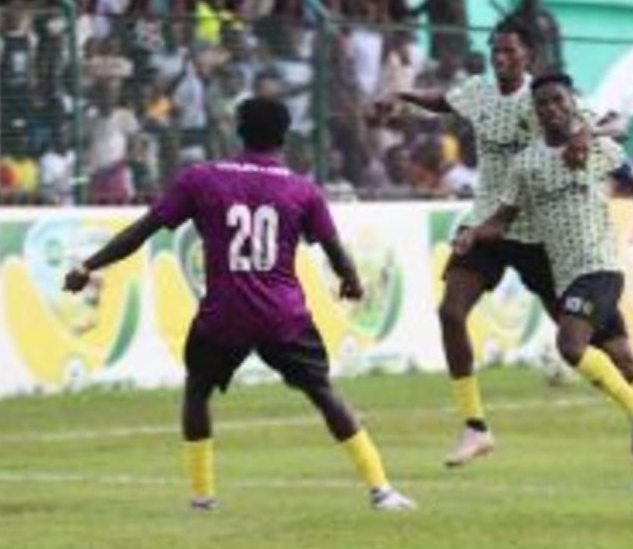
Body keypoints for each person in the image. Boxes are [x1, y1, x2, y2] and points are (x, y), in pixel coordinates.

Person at [61, 97, 415, 513]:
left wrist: (89, 265)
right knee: (323, 393)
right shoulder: (302, 189)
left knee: (197, 393)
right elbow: (332, 248)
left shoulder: (202, 179)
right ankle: (381, 489)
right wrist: (351, 280)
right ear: (285, 137)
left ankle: (202, 496)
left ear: (237, 131)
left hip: (223, 314)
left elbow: (143, 230)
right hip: (282, 314)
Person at [380, 19, 624, 467]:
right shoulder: (478, 91)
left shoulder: (544, 99)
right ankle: (474, 427)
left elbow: (614, 123)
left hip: (538, 234)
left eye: (509, 52)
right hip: (490, 224)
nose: (500, 59)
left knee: (599, 345)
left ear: (527, 55)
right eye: (495, 51)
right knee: (450, 311)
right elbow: (444, 102)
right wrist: (405, 97)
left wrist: (586, 134)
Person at [455, 72, 633, 465]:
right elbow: (503, 219)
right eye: (542, 104)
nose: (551, 109)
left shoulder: (597, 146)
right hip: (566, 275)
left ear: (572, 101)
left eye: (558, 100)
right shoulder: (527, 163)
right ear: (535, 113)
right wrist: (473, 233)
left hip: (601, 268)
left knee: (570, 346)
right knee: (624, 361)